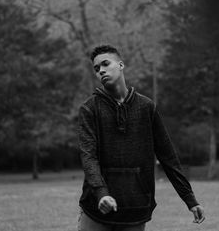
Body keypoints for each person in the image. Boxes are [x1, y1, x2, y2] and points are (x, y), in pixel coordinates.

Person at [77, 45, 205, 231]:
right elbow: (88, 156)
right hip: (96, 210)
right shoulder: (89, 109)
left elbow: (167, 156)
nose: (101, 70)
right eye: (96, 69)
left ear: (120, 65)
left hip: (136, 210)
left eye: (105, 64)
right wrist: (101, 193)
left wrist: (190, 199)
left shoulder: (147, 108)